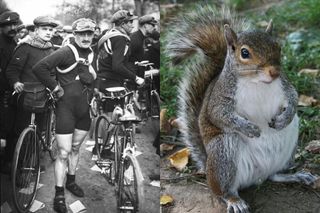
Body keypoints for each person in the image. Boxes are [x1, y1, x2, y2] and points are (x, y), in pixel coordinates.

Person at [33, 18, 97, 213]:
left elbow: (95, 76)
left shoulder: (93, 52)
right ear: (75, 34)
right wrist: (55, 88)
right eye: (82, 34)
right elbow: (39, 68)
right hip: (65, 109)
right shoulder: (66, 51)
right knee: (63, 153)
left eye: (89, 34)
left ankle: (71, 181)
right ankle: (59, 193)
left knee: (76, 148)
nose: (86, 37)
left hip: (83, 110)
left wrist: (95, 93)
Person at [6, 16, 58, 158]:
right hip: (25, 95)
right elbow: (12, 70)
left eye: (51, 29)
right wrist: (16, 82)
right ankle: (16, 162)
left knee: (39, 130)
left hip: (44, 95)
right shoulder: (25, 47)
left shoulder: (50, 49)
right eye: (44, 29)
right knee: (20, 130)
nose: (48, 32)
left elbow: (52, 72)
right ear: (36, 30)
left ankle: (33, 161)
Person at [95, 10, 144, 112]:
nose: (133, 26)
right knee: (118, 120)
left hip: (102, 80)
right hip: (112, 82)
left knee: (108, 116)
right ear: (122, 24)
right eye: (130, 22)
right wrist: (136, 78)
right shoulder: (120, 39)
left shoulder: (108, 35)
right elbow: (117, 66)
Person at [0, 10, 20, 173]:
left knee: (10, 128)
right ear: (2, 27)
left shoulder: (15, 42)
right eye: (8, 25)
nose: (12, 28)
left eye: (14, 24)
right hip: (2, 91)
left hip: (9, 91)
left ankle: (7, 161)